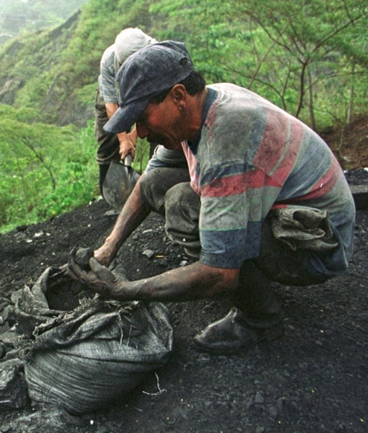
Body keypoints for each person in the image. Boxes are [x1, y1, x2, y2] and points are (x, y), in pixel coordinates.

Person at [68, 41, 355, 355]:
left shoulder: (226, 139)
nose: (143, 132)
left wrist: (123, 291)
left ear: (178, 96)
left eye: (143, 117)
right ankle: (243, 269)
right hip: (286, 209)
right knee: (163, 185)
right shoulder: (198, 105)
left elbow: (219, 274)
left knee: (183, 207)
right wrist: (108, 249)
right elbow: (149, 183)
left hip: (317, 242)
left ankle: (259, 319)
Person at [94, 28, 157, 191]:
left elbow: (152, 100)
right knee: (108, 138)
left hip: (145, 96)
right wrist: (123, 139)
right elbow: (110, 105)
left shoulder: (155, 55)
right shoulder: (109, 60)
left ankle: (155, 182)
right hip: (113, 96)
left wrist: (134, 135)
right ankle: (107, 193)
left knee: (159, 129)